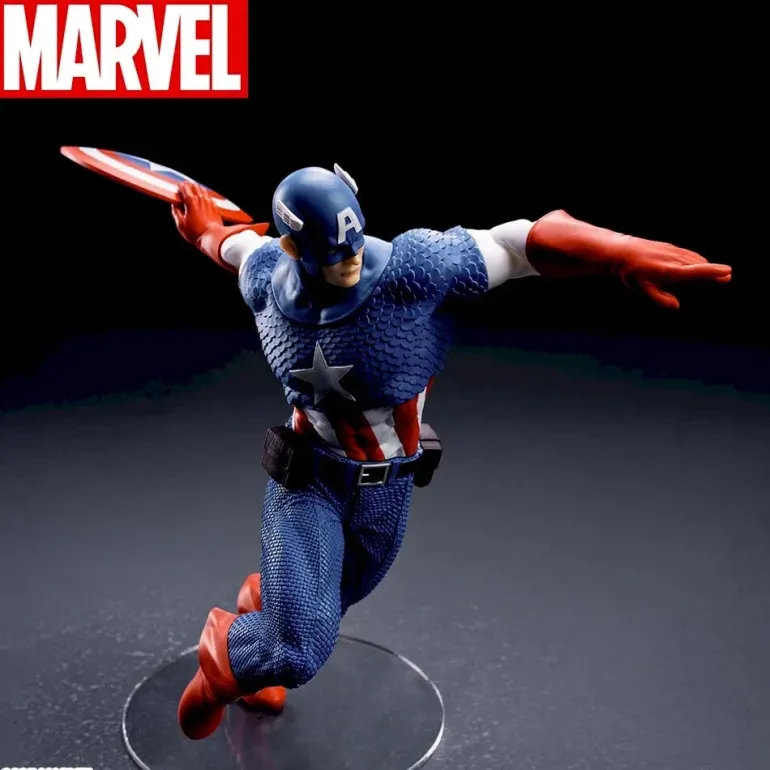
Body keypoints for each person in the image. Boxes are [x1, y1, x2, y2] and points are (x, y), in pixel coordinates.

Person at [172, 165, 732, 740]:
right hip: (308, 483)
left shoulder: (412, 272)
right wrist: (204, 230)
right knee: (301, 650)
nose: (352, 260)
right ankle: (224, 663)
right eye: (333, 253)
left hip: (386, 488)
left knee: (338, 597)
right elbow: (237, 247)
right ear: (294, 249)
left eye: (355, 242)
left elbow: (515, 243)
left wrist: (617, 251)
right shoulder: (268, 276)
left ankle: (267, 609)